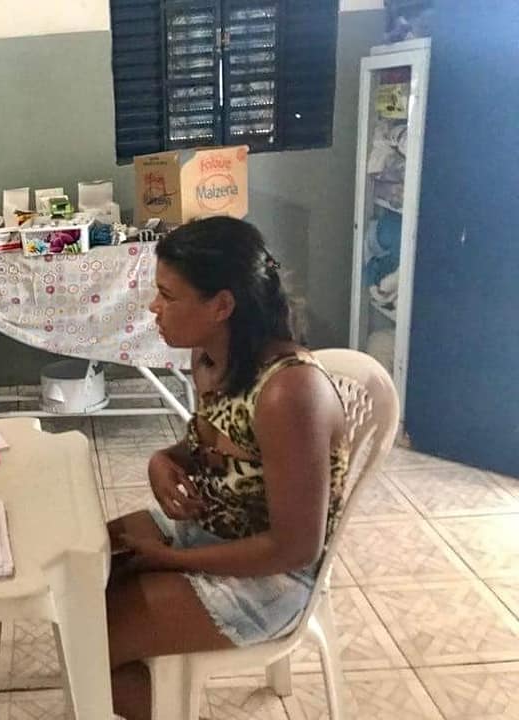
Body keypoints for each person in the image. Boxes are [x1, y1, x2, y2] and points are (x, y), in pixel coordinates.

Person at [107, 217, 357, 720]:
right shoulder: (209, 356)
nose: (154, 307)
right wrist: (163, 461)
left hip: (269, 578)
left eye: (167, 295)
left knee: (90, 633)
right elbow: (206, 442)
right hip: (209, 535)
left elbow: (294, 548)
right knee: (83, 564)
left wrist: (170, 560)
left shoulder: (289, 392)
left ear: (221, 306)